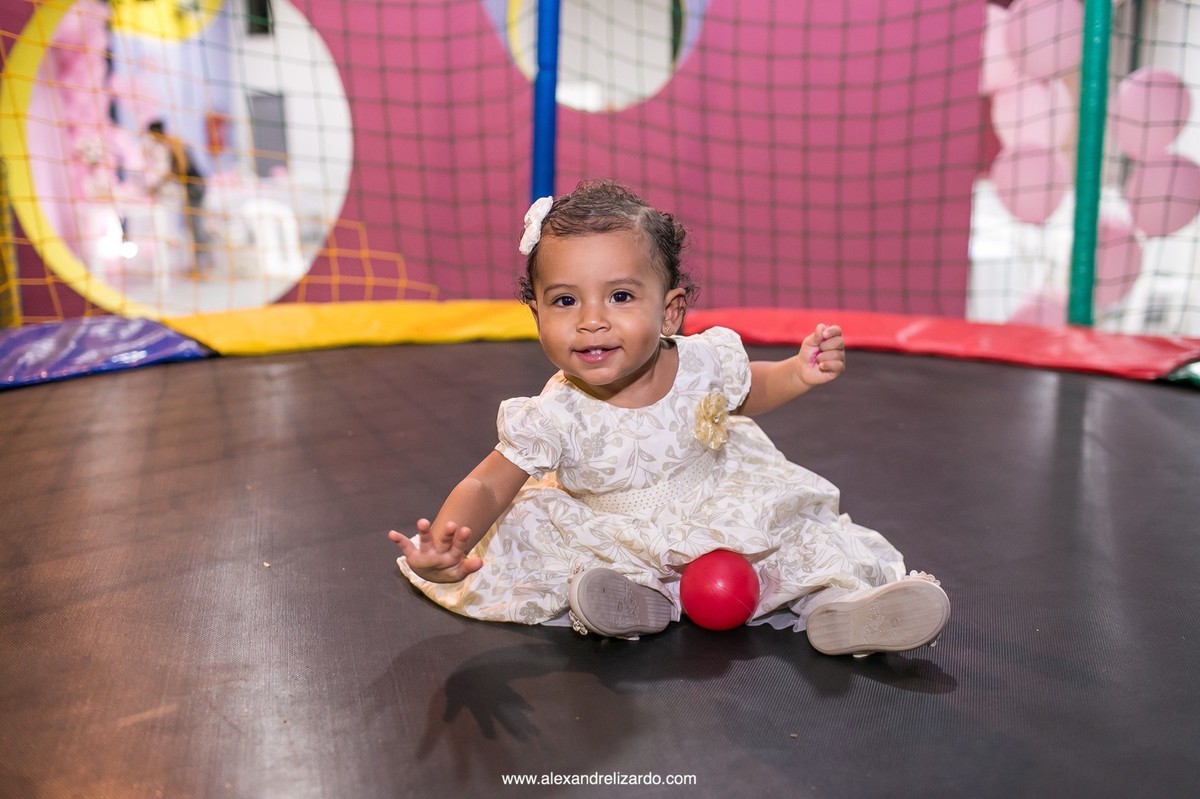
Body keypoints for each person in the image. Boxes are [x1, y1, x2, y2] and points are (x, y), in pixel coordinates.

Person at [389, 180, 949, 656]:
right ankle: (636, 605)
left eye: (621, 296)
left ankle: (841, 612)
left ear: (670, 310)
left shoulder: (702, 361)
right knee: (572, 561)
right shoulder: (555, 414)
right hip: (615, 525)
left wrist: (798, 373)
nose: (591, 321)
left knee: (797, 543)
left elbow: (749, 389)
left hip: (718, 496)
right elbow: (488, 481)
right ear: (536, 313)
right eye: (564, 302)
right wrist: (448, 540)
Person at [144, 119, 208, 272]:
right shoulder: (172, 143)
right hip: (192, 185)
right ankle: (200, 265)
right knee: (192, 226)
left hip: (194, 186)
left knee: (195, 226)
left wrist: (157, 185)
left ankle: (202, 267)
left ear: (156, 133)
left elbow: (180, 168)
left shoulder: (174, 144)